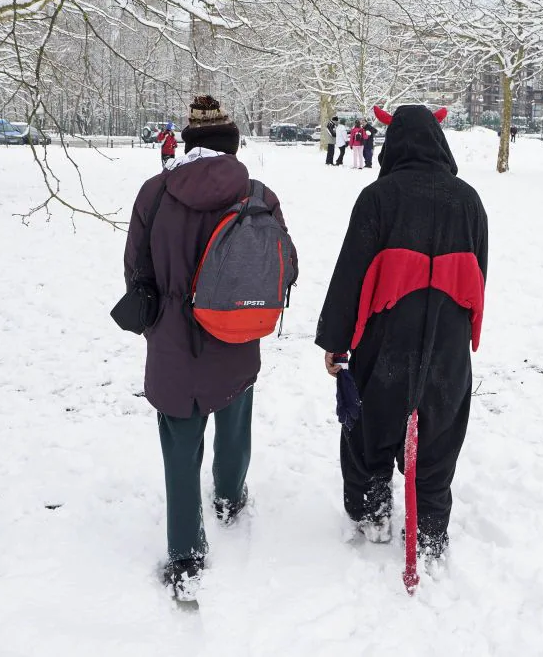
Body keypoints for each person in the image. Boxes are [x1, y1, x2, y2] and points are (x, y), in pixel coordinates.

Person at [124, 95, 297, 601]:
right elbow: (288, 265)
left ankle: (185, 553)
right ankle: (229, 496)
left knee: (179, 444)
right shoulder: (259, 195)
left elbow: (137, 273)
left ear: (189, 143)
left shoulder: (154, 194)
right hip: (236, 334)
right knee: (234, 415)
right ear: (233, 146)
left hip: (174, 341)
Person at [315, 104, 488, 561]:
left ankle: (372, 513)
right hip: (446, 342)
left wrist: (337, 341)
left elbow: (351, 272)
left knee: (369, 426)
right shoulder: (468, 200)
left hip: (383, 337)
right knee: (440, 430)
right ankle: (430, 529)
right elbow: (479, 273)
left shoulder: (379, 198)